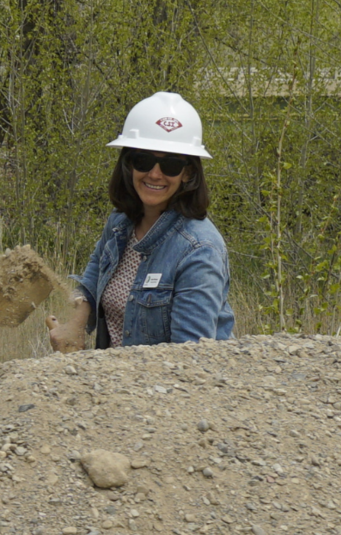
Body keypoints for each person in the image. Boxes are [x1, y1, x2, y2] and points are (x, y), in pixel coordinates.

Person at [48, 91, 234, 349]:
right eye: (143, 160)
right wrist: (76, 326)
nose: (155, 174)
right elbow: (94, 276)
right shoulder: (120, 223)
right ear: (129, 164)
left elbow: (189, 357)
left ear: (188, 173)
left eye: (170, 165)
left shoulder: (200, 250)